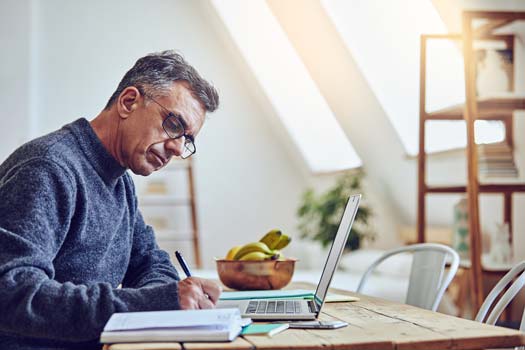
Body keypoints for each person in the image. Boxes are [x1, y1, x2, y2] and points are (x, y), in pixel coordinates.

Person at [0, 50, 222, 349]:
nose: (178, 149)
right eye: (173, 125)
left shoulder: (120, 182)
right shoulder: (47, 168)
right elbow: (12, 293)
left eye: (188, 140)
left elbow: (151, 264)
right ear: (129, 102)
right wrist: (153, 303)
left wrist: (157, 301)